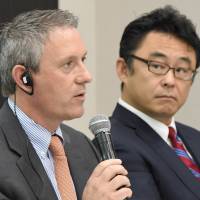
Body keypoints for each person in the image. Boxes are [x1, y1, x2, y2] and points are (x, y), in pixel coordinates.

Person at [0, 9, 132, 200]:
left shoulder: (82, 145)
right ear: (24, 78)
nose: (86, 76)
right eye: (68, 64)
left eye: (83, 60)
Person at [110, 5, 200, 200]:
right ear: (124, 69)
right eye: (157, 66)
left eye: (183, 70)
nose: (170, 80)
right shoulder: (114, 144)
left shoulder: (194, 138)